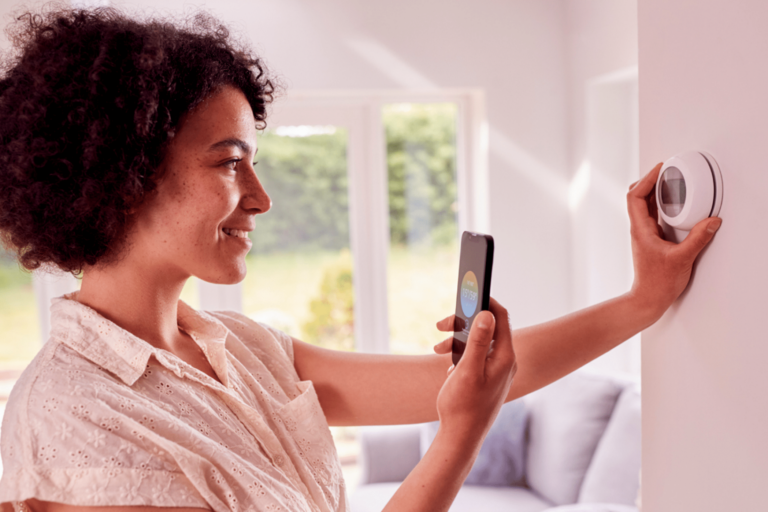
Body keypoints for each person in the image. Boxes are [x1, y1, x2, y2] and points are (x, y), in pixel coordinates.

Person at [0, 7, 720, 512]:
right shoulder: (75, 419)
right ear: (122, 177)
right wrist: (459, 440)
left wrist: (643, 301)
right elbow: (462, 407)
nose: (261, 198)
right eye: (229, 164)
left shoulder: (242, 349)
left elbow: (474, 377)